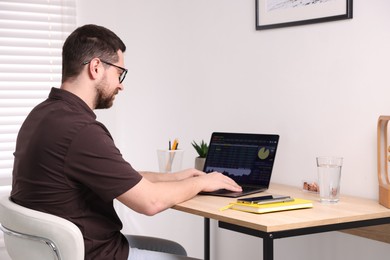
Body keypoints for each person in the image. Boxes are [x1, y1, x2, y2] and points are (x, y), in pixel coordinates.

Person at [10, 24, 242, 260]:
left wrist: (176, 177)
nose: (121, 84)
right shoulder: (81, 131)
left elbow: (120, 179)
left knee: (174, 252)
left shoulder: (42, 115)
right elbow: (151, 202)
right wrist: (203, 183)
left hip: (67, 249)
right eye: (119, 73)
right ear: (96, 67)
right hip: (94, 254)